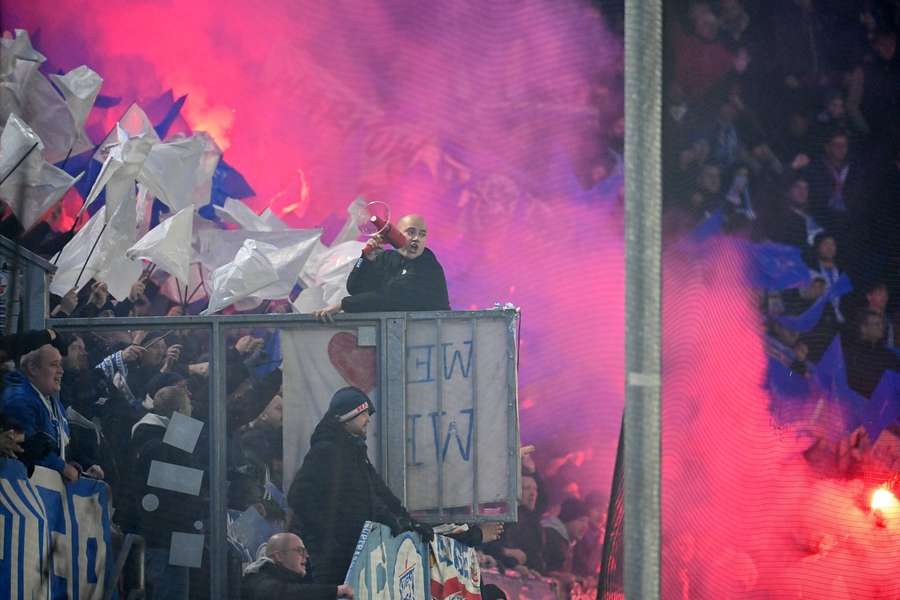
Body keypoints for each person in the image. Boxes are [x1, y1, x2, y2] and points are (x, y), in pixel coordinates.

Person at [287, 387, 433, 584]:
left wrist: (405, 521)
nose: (368, 419)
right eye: (364, 413)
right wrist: (329, 537)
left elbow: (377, 493)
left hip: (355, 552)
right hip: (331, 560)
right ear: (349, 415)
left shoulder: (354, 452)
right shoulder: (327, 451)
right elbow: (298, 497)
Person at [314, 214, 450, 321]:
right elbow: (354, 288)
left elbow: (388, 297)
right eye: (411, 232)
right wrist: (365, 259)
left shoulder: (428, 266)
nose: (416, 238)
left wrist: (342, 305)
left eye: (422, 234)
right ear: (397, 232)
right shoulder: (388, 258)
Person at [1, 344, 83, 481]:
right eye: (54, 365)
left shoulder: (53, 403)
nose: (61, 371)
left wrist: (79, 466)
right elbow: (27, 448)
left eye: (61, 365)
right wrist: (62, 467)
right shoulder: (18, 400)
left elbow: (59, 447)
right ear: (33, 368)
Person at [241, 532, 354, 599]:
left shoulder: (286, 580)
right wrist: (335, 591)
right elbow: (284, 594)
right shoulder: (258, 580)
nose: (306, 556)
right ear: (279, 556)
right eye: (300, 551)